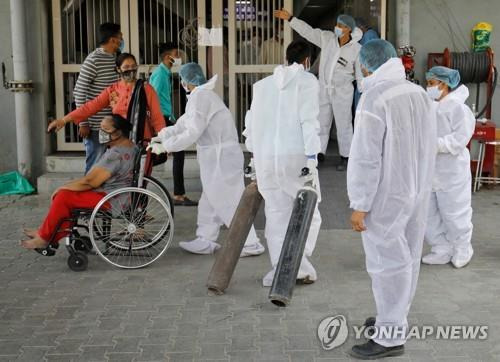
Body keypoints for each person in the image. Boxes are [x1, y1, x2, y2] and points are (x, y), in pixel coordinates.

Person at [347, 39, 436, 359]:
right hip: (416, 190)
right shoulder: (419, 94)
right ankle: (394, 319)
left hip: (386, 194)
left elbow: (366, 157)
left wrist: (360, 203)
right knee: (407, 258)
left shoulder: (374, 98)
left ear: (368, 65)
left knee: (387, 264)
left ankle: (389, 337)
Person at [148, 63, 265, 257]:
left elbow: (193, 131)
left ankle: (250, 243)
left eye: (182, 80)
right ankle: (206, 239)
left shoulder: (201, 97)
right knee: (210, 199)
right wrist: (162, 135)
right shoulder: (199, 96)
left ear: (186, 82)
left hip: (221, 158)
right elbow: (184, 122)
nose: (182, 83)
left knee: (226, 199)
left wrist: (166, 146)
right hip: (217, 156)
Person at [243, 40, 322, 286]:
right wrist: (312, 157)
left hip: (267, 160)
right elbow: (309, 121)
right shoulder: (307, 82)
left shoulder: (262, 86)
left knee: (276, 214)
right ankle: (296, 264)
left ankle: (281, 266)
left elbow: (250, 125)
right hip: (296, 158)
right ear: (307, 61)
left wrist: (254, 157)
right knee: (309, 212)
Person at [21, 115, 136, 249]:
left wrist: (63, 188)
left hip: (111, 198)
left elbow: (90, 182)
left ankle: (45, 238)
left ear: (118, 132)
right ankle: (46, 232)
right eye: (100, 128)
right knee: (66, 194)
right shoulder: (129, 146)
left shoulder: (115, 154)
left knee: (63, 197)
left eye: (105, 129)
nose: (101, 133)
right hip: (118, 195)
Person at [274, 9, 363, 171]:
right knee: (321, 122)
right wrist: (290, 19)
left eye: (341, 25)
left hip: (342, 91)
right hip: (323, 89)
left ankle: (346, 156)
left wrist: (364, 90)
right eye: (336, 24)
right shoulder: (327, 38)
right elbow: (308, 31)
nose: (337, 27)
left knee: (344, 124)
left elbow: (359, 75)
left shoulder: (356, 49)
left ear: (349, 29)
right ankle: (319, 153)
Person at [422, 66, 475, 268]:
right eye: (428, 83)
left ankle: (463, 248)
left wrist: (434, 144)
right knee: (430, 213)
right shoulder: (430, 106)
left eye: (432, 84)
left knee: (455, 212)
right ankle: (441, 248)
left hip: (452, 170)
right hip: (431, 169)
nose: (429, 87)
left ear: (444, 84)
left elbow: (460, 138)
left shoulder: (459, 108)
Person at [48, 53, 164, 140]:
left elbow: (156, 116)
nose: (131, 70)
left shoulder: (146, 88)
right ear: (118, 69)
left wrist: (163, 139)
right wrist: (64, 120)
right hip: (117, 140)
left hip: (141, 139)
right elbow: (89, 107)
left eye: (133, 66)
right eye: (126, 67)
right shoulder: (112, 90)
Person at [149, 42, 197, 207]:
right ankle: (178, 194)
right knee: (168, 153)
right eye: (176, 53)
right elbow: (152, 99)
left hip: (166, 117)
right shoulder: (160, 75)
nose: (179, 57)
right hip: (161, 119)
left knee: (170, 153)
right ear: (167, 56)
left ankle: (178, 193)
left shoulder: (165, 73)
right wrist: (161, 124)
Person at [73, 23, 123, 174]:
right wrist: (83, 122)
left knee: (109, 168)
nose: (122, 40)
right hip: (96, 126)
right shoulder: (93, 60)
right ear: (113, 40)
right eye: (121, 37)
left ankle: (104, 197)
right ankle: (89, 197)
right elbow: (79, 92)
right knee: (95, 166)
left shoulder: (116, 59)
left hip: (113, 124)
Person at [353, 18, 380, 110]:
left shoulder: (369, 35)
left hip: (367, 79)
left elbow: (368, 58)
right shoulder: (367, 36)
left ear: (360, 27)